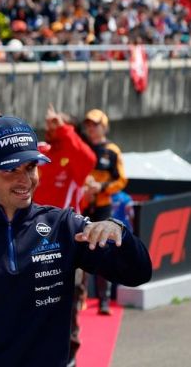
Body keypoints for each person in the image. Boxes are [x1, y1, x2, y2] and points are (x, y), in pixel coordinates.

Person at [0, 116, 152, 367]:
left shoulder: (63, 226)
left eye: (30, 167)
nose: (25, 180)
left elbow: (138, 273)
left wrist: (118, 230)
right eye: (11, 169)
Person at [33, 104, 97, 365]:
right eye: (50, 125)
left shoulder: (75, 158)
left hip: (65, 244)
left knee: (67, 305)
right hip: (31, 242)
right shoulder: (39, 153)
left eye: (58, 125)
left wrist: (64, 129)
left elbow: (88, 160)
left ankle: (69, 358)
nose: (52, 129)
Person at [81, 108, 129, 315]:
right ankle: (79, 297)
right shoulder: (82, 148)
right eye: (89, 125)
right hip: (82, 205)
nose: (92, 129)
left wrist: (100, 188)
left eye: (96, 124)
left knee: (102, 249)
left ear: (105, 126)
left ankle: (104, 300)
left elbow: (122, 180)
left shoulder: (112, 150)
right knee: (80, 248)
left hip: (102, 206)